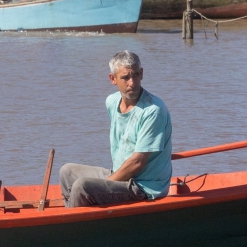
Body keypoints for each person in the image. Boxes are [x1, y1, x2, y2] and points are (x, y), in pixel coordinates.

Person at [60, 51, 173, 208]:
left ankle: (72, 227)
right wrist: (107, 183)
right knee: (67, 172)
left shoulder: (153, 110)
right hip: (121, 174)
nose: (132, 83)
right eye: (125, 77)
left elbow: (137, 163)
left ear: (142, 74)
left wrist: (104, 184)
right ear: (113, 79)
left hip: (144, 187)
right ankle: (76, 213)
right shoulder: (111, 102)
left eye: (135, 75)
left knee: (82, 186)